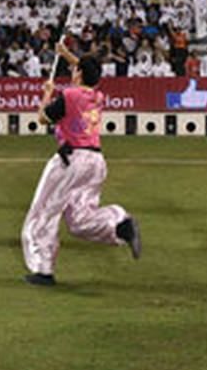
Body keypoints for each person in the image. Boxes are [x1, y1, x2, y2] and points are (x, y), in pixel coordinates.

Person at [21, 40, 140, 286]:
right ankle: (118, 224)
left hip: (71, 160)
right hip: (95, 160)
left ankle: (43, 269)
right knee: (79, 220)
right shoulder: (97, 96)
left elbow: (43, 119)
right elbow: (89, 72)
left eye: (75, 70)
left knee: (44, 211)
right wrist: (67, 55)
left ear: (79, 74)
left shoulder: (69, 95)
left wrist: (46, 93)